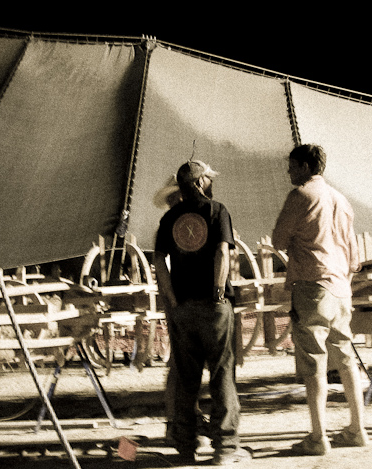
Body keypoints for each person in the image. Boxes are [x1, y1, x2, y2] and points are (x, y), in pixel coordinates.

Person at [272, 144, 367, 455]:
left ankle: (318, 436)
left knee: (313, 363)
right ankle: (357, 428)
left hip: (312, 284)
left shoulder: (301, 195)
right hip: (341, 286)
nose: (288, 172)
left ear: (303, 166)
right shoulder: (341, 199)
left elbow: (278, 240)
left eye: (291, 166)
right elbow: (354, 254)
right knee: (346, 358)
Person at [153, 159, 249, 465]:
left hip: (183, 307)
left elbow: (158, 261)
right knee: (221, 373)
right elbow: (222, 251)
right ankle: (225, 448)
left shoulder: (169, 218)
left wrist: (171, 297)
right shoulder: (217, 210)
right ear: (198, 183)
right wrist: (219, 291)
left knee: (186, 378)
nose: (209, 182)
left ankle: (185, 446)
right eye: (206, 178)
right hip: (214, 306)